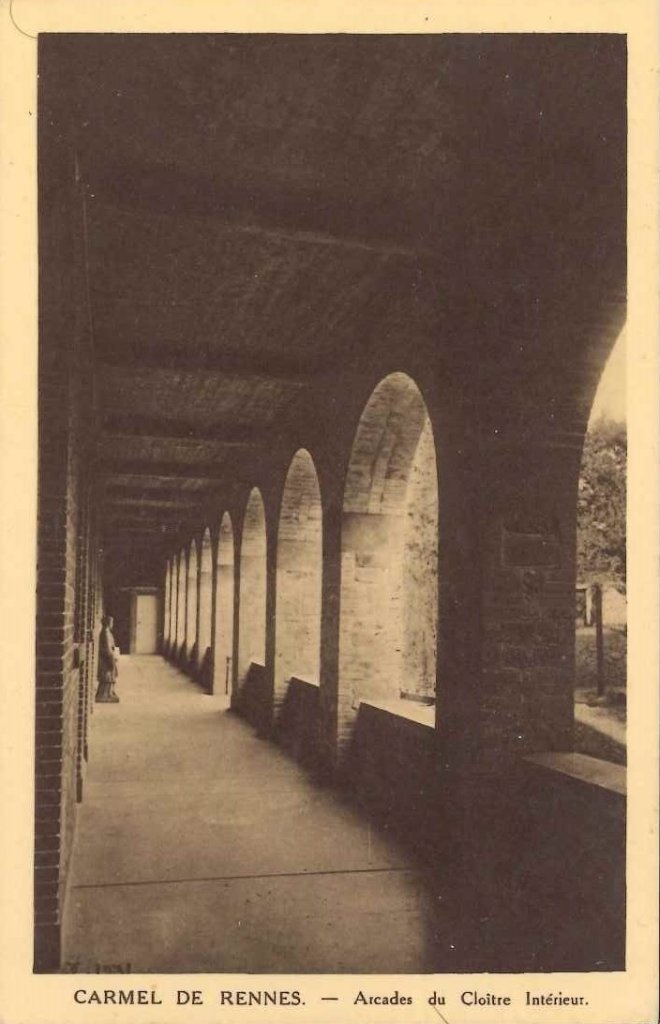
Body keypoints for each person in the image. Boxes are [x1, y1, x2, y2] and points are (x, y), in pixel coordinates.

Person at [95, 614, 120, 703]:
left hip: (110, 655)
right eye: (111, 622)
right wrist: (110, 657)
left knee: (111, 675)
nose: (112, 624)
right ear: (107, 623)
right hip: (106, 657)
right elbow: (106, 647)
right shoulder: (105, 633)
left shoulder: (107, 632)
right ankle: (104, 694)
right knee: (107, 675)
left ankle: (109, 692)